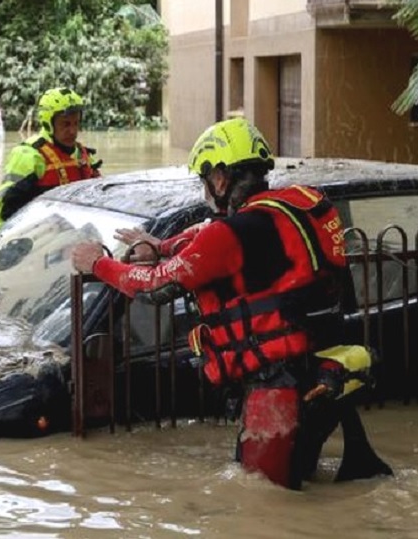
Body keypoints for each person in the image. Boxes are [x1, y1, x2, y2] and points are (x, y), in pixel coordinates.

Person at [69, 117, 391, 489]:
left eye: (205, 180)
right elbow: (208, 235)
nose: (205, 190)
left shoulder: (232, 234)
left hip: (276, 388)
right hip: (319, 371)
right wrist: (161, 245)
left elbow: (155, 287)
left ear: (220, 179)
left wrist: (98, 263)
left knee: (263, 500)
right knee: (295, 481)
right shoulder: (289, 209)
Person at [0, 87, 101, 229]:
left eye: (76, 123)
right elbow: (3, 210)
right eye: (65, 124)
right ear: (48, 123)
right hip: (40, 236)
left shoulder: (82, 155)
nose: (73, 131)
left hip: (75, 233)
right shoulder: (29, 155)